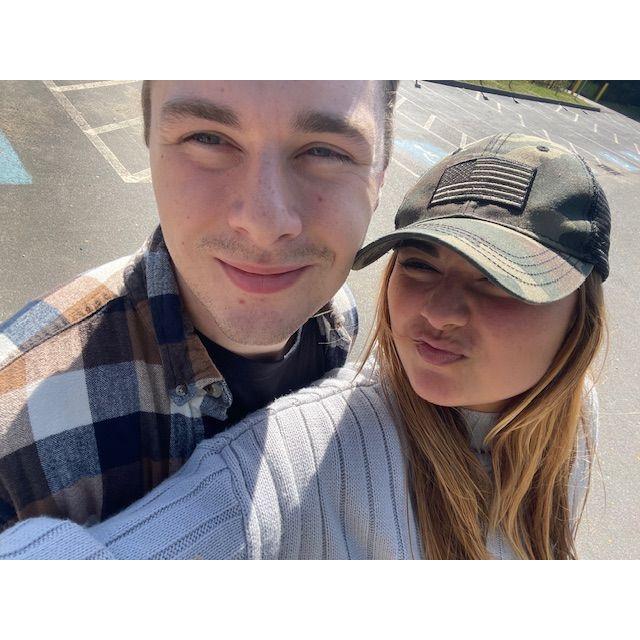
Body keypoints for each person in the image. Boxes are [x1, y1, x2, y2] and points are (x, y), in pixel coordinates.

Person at [0, 133, 610, 559]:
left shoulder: (573, 415)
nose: (438, 311)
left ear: (578, 318)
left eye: (500, 280)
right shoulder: (306, 452)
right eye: (420, 264)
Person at [0, 81, 398, 531]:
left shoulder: (337, 317)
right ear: (151, 149)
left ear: (380, 177)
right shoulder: (14, 444)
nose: (264, 224)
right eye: (208, 138)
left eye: (325, 152)